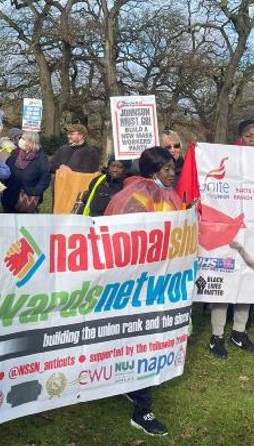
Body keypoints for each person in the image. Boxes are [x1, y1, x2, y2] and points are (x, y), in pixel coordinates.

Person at [103, 146, 181, 437]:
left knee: (148, 341)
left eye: (174, 168)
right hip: (140, 283)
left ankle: (134, 389)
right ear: (152, 172)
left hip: (163, 282)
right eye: (166, 170)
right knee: (143, 341)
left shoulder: (167, 194)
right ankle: (142, 410)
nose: (172, 174)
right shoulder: (138, 196)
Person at [207, 120, 254, 359]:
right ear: (241, 137)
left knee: (248, 282)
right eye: (249, 135)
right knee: (225, 283)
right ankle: (216, 336)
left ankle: (239, 332)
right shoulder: (227, 158)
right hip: (228, 230)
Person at [2, 131, 50, 214]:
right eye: (21, 138)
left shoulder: (41, 158)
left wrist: (34, 191)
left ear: (31, 142)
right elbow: (7, 169)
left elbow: (45, 178)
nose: (20, 140)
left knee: (24, 225)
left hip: (27, 199)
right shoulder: (15, 153)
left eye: (24, 139)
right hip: (10, 196)